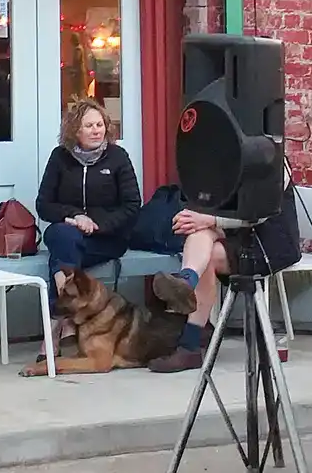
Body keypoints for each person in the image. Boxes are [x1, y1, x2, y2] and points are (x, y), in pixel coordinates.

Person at [148, 157, 300, 373]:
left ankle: (190, 341)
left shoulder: (274, 158)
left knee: (207, 248)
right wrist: (197, 217)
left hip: (271, 241)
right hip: (236, 234)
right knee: (198, 230)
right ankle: (186, 282)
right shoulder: (223, 152)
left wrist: (212, 220)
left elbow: (260, 213)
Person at [35, 99, 141, 359]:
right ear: (75, 130)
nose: (97, 130)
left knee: (59, 259)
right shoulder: (60, 158)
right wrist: (74, 216)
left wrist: (98, 226)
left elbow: (132, 206)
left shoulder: (118, 157)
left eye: (100, 124)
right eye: (89, 126)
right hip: (70, 233)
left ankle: (55, 326)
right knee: (62, 236)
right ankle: (66, 324)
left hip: (107, 239)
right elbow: (44, 205)